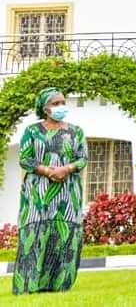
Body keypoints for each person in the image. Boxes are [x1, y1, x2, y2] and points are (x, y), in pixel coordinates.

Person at [13, 87, 88, 295]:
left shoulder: (76, 131)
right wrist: (47, 171)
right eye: (55, 104)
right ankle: (29, 286)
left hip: (67, 195)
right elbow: (25, 158)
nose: (60, 106)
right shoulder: (32, 131)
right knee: (34, 235)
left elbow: (82, 158)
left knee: (64, 237)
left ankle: (60, 285)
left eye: (62, 102)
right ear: (45, 108)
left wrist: (67, 168)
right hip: (37, 195)